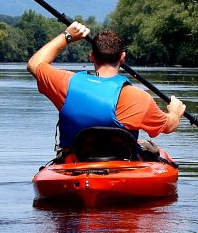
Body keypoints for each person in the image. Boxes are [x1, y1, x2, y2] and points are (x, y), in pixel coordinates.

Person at [27, 21, 186, 160]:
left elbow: (34, 64)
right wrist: (175, 112)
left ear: (91, 57)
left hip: (73, 165)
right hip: (121, 165)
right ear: (122, 58)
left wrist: (67, 36)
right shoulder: (138, 97)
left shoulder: (65, 83)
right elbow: (169, 126)